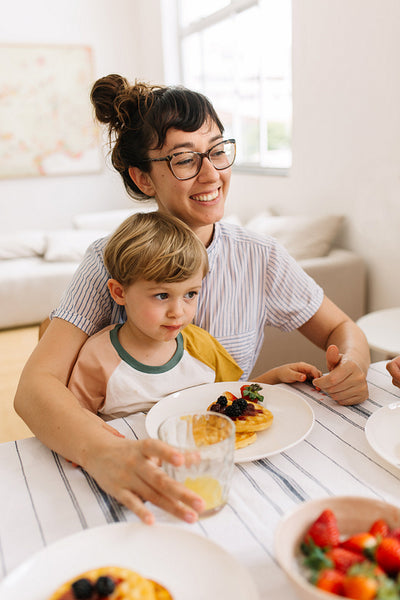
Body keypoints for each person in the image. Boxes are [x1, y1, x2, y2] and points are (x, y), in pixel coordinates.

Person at [14, 74, 370, 525]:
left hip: (232, 470)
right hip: (131, 473)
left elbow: (344, 330)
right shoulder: (109, 259)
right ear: (143, 178)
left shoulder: (259, 256)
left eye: (218, 150)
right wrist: (103, 451)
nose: (212, 174)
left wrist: (353, 364)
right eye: (184, 159)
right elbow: (34, 389)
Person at [68, 210, 321, 418]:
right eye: (161, 296)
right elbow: (73, 422)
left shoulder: (202, 346)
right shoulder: (97, 358)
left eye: (190, 294)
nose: (178, 312)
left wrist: (274, 377)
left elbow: (232, 399)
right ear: (119, 293)